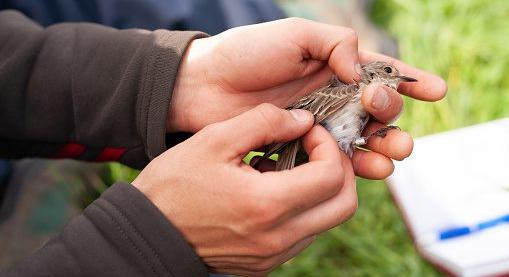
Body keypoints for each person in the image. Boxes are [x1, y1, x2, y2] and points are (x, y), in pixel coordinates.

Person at [0, 9, 447, 277]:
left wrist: (188, 77)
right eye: (388, 74)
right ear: (371, 77)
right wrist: (153, 236)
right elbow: (313, 116)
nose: (395, 78)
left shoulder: (355, 91)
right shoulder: (349, 89)